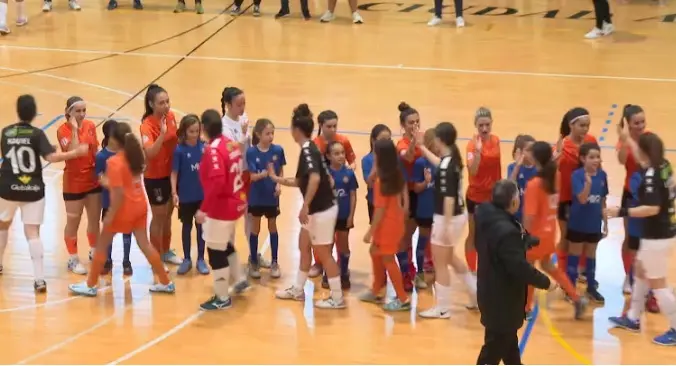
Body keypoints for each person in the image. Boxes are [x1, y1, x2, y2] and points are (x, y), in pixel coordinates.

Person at [68, 121, 175, 296]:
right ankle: (165, 281)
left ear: (114, 141)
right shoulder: (136, 157)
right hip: (140, 206)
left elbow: (118, 194)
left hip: (123, 209)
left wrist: (110, 214)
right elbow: (127, 182)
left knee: (101, 245)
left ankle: (90, 285)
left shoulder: (115, 162)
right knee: (146, 245)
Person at [0, 95, 88, 292]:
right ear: (33, 113)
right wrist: (74, 153)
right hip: (33, 189)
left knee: (3, 225)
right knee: (32, 233)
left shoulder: (5, 133)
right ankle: (39, 280)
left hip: (7, 187)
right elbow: (51, 156)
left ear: (18, 111)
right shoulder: (37, 134)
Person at [268, 103, 344, 309]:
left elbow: (316, 179)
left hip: (320, 211)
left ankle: (337, 298)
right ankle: (298, 289)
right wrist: (277, 179)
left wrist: (305, 206)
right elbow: (313, 179)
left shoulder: (308, 151)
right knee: (303, 246)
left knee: (325, 255)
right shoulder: (310, 149)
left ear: (296, 130)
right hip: (317, 210)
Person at [475, 179, 556, 365]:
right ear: (513, 203)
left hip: (490, 291)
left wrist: (525, 241)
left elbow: (501, 244)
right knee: (493, 350)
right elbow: (519, 267)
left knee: (508, 343)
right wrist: (546, 282)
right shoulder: (507, 232)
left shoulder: (485, 214)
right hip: (504, 299)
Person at [606, 131, 676, 346]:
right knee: (640, 271)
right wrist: (627, 139)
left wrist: (621, 212)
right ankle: (633, 317)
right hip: (664, 231)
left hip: (657, 235)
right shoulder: (664, 165)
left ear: (646, 153)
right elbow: (639, 156)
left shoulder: (651, 176)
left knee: (658, 283)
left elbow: (652, 208)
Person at [416, 122, 477, 318]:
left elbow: (448, 199)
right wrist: (422, 147)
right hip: (458, 216)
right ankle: (477, 294)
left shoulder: (445, 167)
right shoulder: (452, 160)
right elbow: (439, 163)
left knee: (440, 262)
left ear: (439, 140)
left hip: (447, 217)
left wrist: (445, 227)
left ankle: (442, 309)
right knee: (450, 258)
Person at [523, 141, 586, 320]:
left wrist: (523, 236)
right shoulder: (555, 175)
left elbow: (530, 216)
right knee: (548, 265)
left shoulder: (534, 184)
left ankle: (527, 307)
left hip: (535, 234)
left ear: (535, 158)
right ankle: (576, 297)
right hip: (550, 231)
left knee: (528, 270)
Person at [196, 109, 251, 311]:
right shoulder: (230, 143)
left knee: (214, 250)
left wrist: (204, 209)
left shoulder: (213, 150)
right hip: (237, 201)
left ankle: (222, 297)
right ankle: (239, 278)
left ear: (204, 128)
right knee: (224, 243)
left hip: (221, 208)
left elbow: (217, 183)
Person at [221, 87, 268, 271]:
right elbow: (235, 152)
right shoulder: (223, 127)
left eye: (244, 104)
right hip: (233, 178)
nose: (242, 108)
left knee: (251, 218)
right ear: (228, 105)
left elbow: (249, 147)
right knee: (232, 221)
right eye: (238, 104)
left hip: (248, 175)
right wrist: (242, 133)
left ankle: (253, 255)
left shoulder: (243, 118)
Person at [360, 139, 409, 311]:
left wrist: (369, 232)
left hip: (388, 226)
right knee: (374, 251)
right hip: (394, 222)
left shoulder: (383, 181)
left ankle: (403, 299)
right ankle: (376, 289)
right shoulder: (393, 173)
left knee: (388, 258)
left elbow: (379, 211)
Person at [57, 96, 101, 275]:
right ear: (69, 112)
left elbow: (95, 150)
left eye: (84, 110)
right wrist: (75, 130)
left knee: (94, 220)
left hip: (92, 180)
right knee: (73, 222)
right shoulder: (63, 130)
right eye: (78, 111)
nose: (82, 114)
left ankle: (94, 250)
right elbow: (73, 153)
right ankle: (73, 258)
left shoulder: (90, 126)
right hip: (73, 183)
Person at [311, 109, 358, 278]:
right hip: (322, 196)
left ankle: (341, 265)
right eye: (329, 126)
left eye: (335, 126)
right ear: (321, 126)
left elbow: (352, 161)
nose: (332, 129)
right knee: (322, 235)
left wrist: (349, 170)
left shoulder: (343, 141)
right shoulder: (315, 145)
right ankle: (319, 263)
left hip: (340, 195)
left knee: (341, 235)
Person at [140, 84, 181, 270]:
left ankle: (165, 250)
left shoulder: (171, 117)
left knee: (168, 215)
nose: (166, 106)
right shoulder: (146, 126)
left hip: (171, 173)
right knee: (158, 216)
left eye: (167, 101)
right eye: (161, 103)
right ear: (151, 104)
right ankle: (155, 257)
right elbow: (150, 153)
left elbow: (176, 140)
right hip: (155, 177)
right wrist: (162, 134)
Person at [555, 107, 597, 278]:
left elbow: (597, 165)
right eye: (582, 125)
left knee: (585, 236)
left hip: (586, 197)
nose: (585, 129)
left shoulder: (591, 140)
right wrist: (556, 157)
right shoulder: (563, 145)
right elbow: (550, 169)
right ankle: (562, 272)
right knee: (566, 238)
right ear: (571, 125)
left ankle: (580, 269)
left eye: (587, 125)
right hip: (566, 199)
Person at [566, 143, 608, 304]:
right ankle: (570, 289)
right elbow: (582, 199)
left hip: (594, 224)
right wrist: (588, 184)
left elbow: (602, 201)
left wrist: (605, 223)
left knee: (591, 256)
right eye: (591, 157)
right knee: (574, 256)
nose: (595, 160)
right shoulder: (577, 175)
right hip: (577, 223)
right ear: (583, 159)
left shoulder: (602, 175)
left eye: (597, 157)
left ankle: (591, 288)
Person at [246, 118, 285, 279]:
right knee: (255, 228)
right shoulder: (251, 152)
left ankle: (275, 262)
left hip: (271, 196)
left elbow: (280, 170)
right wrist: (265, 174)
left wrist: (278, 184)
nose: (271, 137)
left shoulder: (278, 150)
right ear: (258, 134)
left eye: (272, 133)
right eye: (267, 133)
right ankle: (254, 260)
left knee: (273, 227)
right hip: (256, 196)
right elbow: (252, 177)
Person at [171, 114, 208, 276]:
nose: (195, 134)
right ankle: (187, 259)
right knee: (187, 227)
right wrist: (174, 192)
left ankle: (201, 258)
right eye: (192, 131)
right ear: (184, 132)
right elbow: (174, 173)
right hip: (186, 196)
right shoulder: (179, 150)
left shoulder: (204, 148)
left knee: (201, 227)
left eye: (197, 131)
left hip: (202, 196)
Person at [465, 107, 502, 273]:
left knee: (491, 234)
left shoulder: (496, 140)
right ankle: (472, 270)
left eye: (487, 124)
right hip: (475, 197)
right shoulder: (471, 146)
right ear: (475, 125)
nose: (484, 129)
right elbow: (472, 171)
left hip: (492, 197)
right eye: (481, 125)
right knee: (473, 234)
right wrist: (478, 152)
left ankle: (488, 266)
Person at [616, 104, 647, 293]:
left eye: (643, 121)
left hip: (648, 194)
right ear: (628, 124)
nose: (641, 125)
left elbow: (646, 161)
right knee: (630, 238)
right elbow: (621, 160)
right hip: (630, 193)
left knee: (645, 239)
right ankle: (628, 275)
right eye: (637, 122)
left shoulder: (648, 138)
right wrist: (624, 139)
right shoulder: (624, 141)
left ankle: (643, 277)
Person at [96, 119, 133, 276]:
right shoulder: (101, 156)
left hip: (125, 200)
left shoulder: (126, 154)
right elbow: (100, 177)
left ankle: (126, 260)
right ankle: (108, 260)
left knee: (127, 231)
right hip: (109, 201)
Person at [322, 141, 358, 289]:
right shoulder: (325, 174)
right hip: (328, 217)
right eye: (336, 153)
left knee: (343, 245)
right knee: (328, 246)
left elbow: (353, 196)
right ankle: (328, 273)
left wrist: (351, 216)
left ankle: (343, 272)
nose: (341, 156)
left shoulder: (349, 174)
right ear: (328, 156)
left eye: (343, 153)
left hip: (343, 216)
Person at [395, 101, 423, 291]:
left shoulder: (423, 140)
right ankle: (406, 271)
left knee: (422, 232)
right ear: (403, 125)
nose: (414, 125)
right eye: (411, 122)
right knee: (405, 236)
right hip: (407, 194)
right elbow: (408, 157)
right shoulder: (401, 144)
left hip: (423, 192)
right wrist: (415, 141)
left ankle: (419, 269)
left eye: (417, 122)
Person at [410, 129, 436, 289]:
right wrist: (426, 182)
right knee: (423, 240)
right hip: (425, 209)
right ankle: (419, 273)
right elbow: (416, 188)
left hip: (438, 209)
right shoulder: (420, 163)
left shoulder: (440, 162)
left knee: (436, 241)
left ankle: (436, 271)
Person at [507, 134, 537, 222]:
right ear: (519, 152)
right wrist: (517, 166)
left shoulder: (538, 168)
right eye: (529, 150)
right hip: (517, 215)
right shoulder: (512, 167)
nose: (533, 153)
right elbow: (509, 187)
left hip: (533, 216)